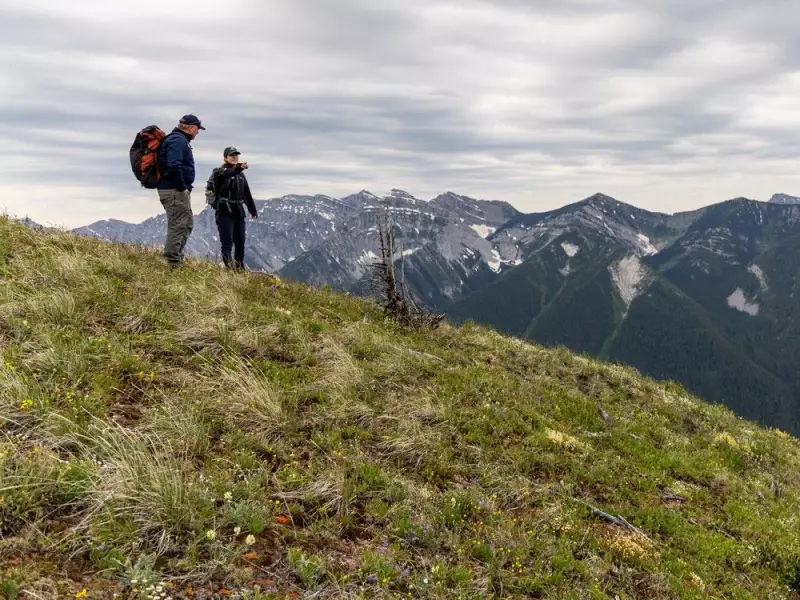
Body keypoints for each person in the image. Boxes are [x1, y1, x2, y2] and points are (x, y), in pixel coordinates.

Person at [157, 114, 205, 267]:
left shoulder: (178, 139)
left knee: (187, 223)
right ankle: (172, 262)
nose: (197, 132)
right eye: (197, 129)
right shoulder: (177, 140)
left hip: (174, 190)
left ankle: (175, 257)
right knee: (179, 225)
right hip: (174, 190)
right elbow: (174, 164)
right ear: (191, 128)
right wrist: (182, 187)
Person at [209, 146, 258, 270]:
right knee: (227, 243)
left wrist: (253, 210)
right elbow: (228, 173)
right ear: (225, 158)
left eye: (236, 155)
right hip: (224, 212)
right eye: (231, 155)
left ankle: (239, 268)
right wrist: (239, 167)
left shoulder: (241, 175)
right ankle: (229, 269)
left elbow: (246, 194)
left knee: (240, 243)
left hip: (238, 212)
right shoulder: (218, 172)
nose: (234, 157)